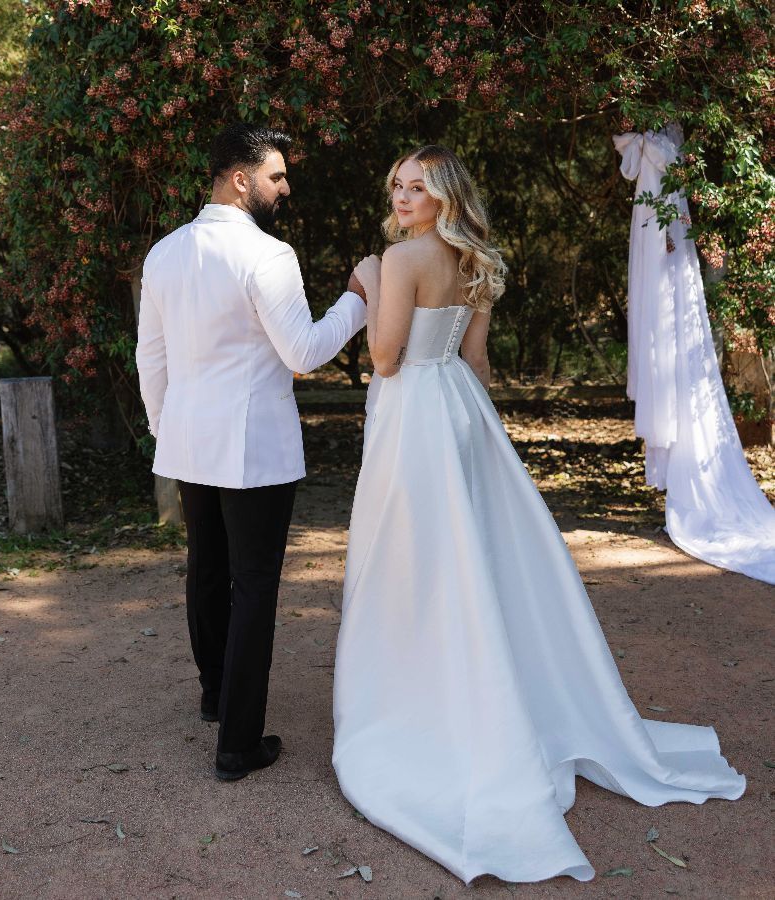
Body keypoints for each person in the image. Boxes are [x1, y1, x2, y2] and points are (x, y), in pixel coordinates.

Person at [331, 145, 745, 884]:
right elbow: (478, 362)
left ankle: (423, 694)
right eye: (395, 184)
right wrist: (477, 431)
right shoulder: (473, 261)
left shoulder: (397, 262)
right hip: (460, 408)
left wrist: (366, 285)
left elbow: (387, 358)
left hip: (413, 415)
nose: (401, 197)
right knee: (469, 552)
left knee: (415, 558)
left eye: (415, 187)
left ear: (444, 195)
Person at [136, 123, 367, 781]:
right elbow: (303, 353)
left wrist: (165, 426)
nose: (284, 187)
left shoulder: (165, 253)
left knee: (207, 569)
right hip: (252, 449)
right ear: (241, 180)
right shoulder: (269, 255)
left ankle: (216, 696)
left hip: (188, 440)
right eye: (276, 176)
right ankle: (238, 744)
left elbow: (149, 355)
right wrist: (356, 299)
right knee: (253, 584)